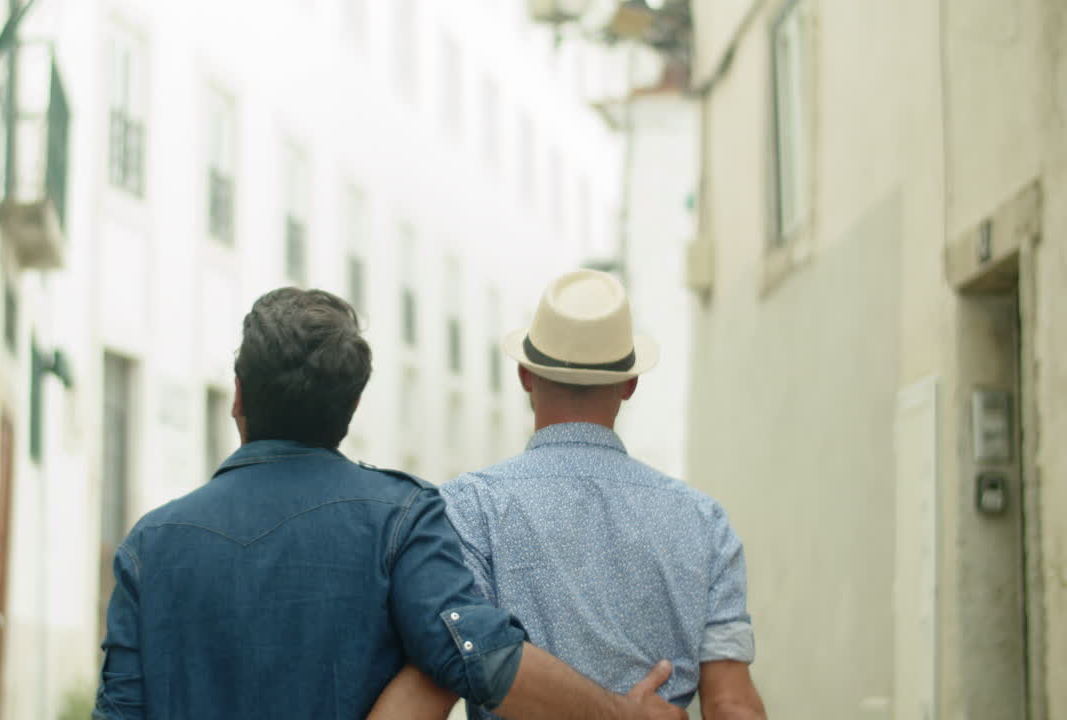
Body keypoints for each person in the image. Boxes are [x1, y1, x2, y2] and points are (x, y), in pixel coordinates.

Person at [93, 287, 687, 719]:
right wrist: (622, 714)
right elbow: (485, 656)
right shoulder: (401, 519)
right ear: (349, 410)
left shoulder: (151, 546)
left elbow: (119, 710)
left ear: (238, 396)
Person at [372, 270, 766, 719]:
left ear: (525, 375)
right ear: (630, 383)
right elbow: (731, 703)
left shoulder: (470, 508)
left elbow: (441, 674)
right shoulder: (703, 521)